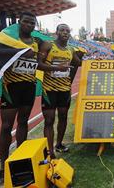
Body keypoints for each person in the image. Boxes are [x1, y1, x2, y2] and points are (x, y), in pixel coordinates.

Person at [0, 12, 40, 184]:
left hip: (28, 87)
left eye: (32, 23)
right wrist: (20, 54)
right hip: (10, 88)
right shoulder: (9, 41)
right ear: (19, 23)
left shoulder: (36, 44)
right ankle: (2, 166)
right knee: (6, 126)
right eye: (26, 22)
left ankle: (20, 160)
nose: (29, 25)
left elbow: (37, 63)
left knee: (23, 122)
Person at [38, 24, 82, 158]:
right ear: (56, 32)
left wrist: (94, 61)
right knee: (49, 120)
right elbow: (38, 64)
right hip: (49, 90)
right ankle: (50, 150)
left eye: (68, 31)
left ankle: (59, 144)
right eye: (62, 30)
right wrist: (56, 68)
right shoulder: (48, 45)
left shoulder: (71, 49)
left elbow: (79, 63)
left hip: (64, 89)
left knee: (63, 117)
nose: (65, 33)